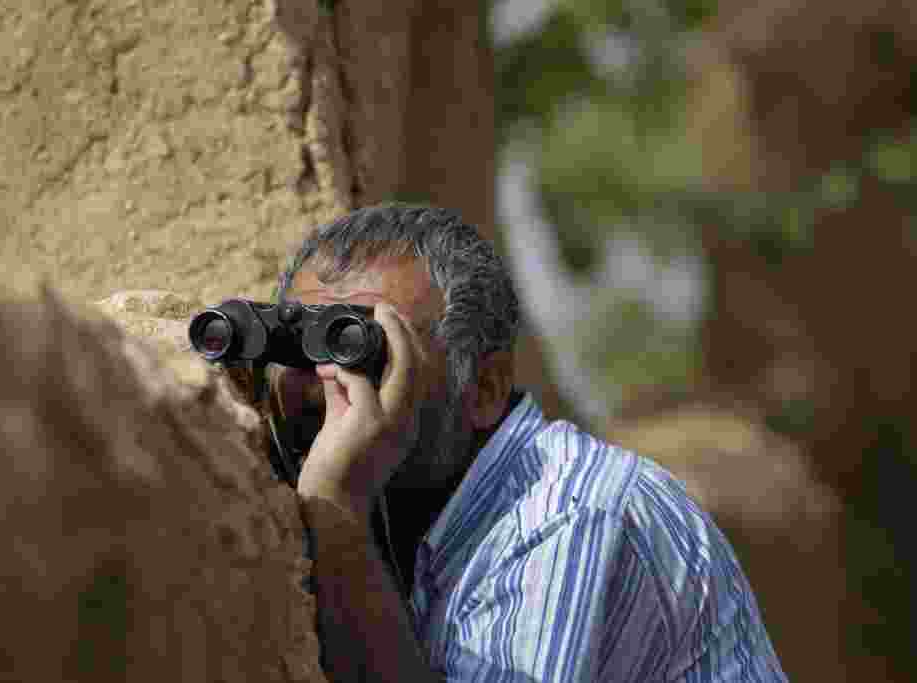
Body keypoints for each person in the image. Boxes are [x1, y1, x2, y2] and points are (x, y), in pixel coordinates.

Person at [266, 203, 788, 682]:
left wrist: (335, 510)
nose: (329, 385)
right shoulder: (416, 503)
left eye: (368, 351)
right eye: (301, 341)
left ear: (485, 388)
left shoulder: (568, 514)